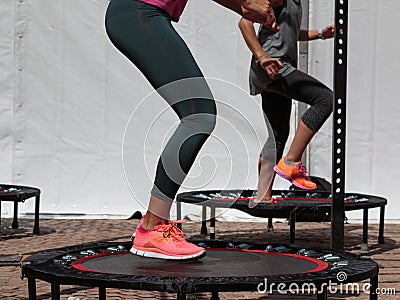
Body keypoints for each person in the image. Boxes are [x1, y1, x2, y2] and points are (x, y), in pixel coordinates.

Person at [105, 0, 278, 260]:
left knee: (200, 115)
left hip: (141, 14)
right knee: (199, 115)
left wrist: (243, 7)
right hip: (138, 12)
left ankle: (153, 224)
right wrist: (244, 4)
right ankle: (152, 227)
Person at [238, 0, 335, 202]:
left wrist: (319, 34)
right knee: (325, 99)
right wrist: (262, 57)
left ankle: (263, 195)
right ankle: (291, 162)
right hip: (273, 66)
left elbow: (291, 33)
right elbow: (244, 23)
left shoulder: (295, 4)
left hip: (273, 69)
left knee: (277, 134)